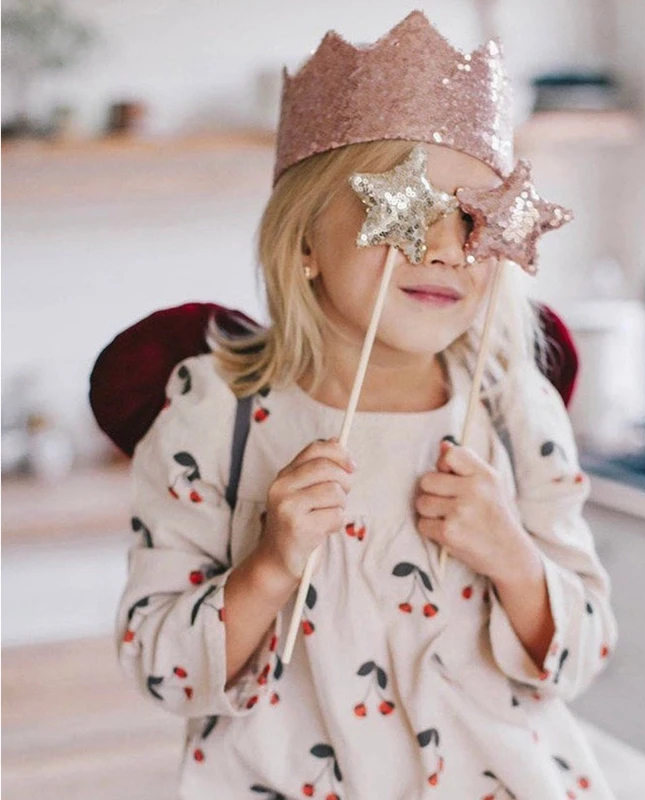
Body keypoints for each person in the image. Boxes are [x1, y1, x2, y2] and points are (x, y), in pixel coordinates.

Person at [113, 11, 618, 799]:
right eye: (412, 208)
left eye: (474, 217)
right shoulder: (216, 412)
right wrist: (271, 564)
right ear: (306, 240)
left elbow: (585, 655)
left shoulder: (513, 409)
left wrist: (512, 554)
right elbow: (161, 669)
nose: (448, 248)